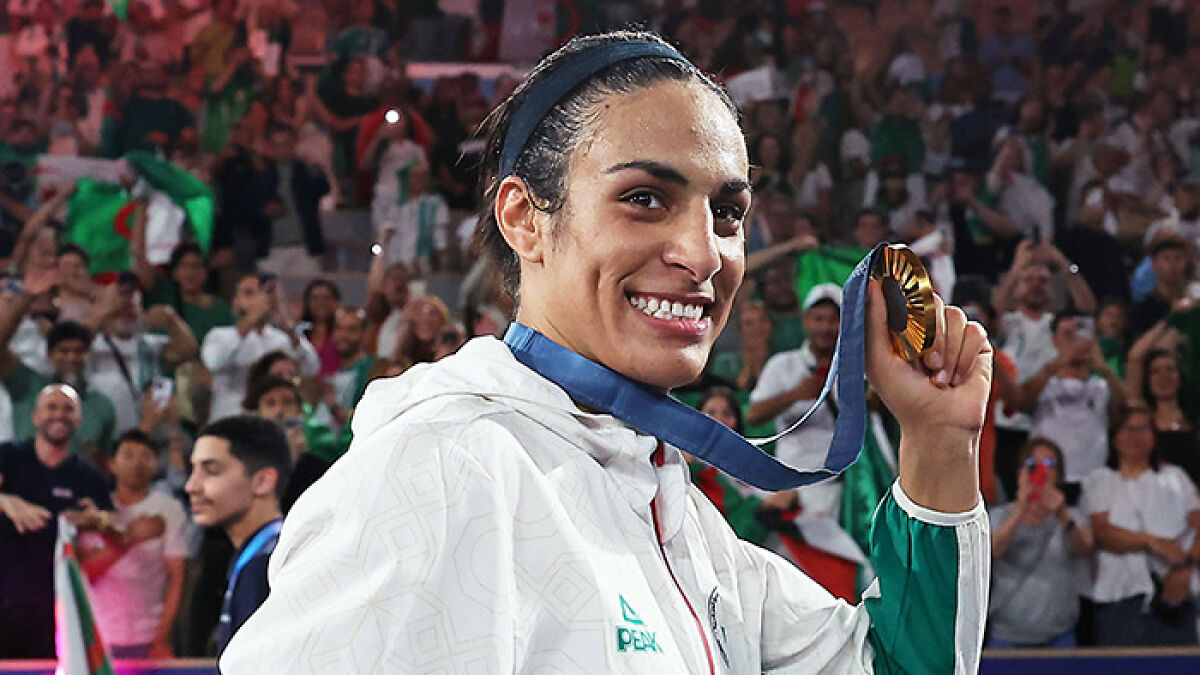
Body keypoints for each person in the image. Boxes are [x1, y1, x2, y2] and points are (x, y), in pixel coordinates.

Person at [222, 31, 992, 673]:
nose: (704, 252)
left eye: (727, 211)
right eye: (645, 198)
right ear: (525, 219)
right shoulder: (446, 470)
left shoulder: (681, 520)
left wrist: (937, 444)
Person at [0, 385, 112, 658]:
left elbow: (113, 523)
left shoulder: (87, 475)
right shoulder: (10, 456)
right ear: (35, 416)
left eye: (67, 409)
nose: (59, 415)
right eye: (51, 407)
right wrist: (7, 502)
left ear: (79, 420)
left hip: (57, 605)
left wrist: (95, 519)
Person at [1084, 404, 1200, 646]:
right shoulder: (1100, 480)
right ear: (1114, 437)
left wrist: (1185, 567)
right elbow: (1104, 534)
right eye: (1128, 429)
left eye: (1143, 429)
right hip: (1118, 598)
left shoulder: (1176, 478)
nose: (1135, 436)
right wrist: (1152, 542)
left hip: (1175, 597)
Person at [185, 415, 291, 656]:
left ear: (262, 481)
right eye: (193, 469)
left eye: (211, 471)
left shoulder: (266, 563)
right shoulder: (263, 551)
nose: (191, 486)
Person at [82, 429, 188, 659]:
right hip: (100, 635)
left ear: (155, 465)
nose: (137, 463)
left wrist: (161, 638)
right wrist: (130, 538)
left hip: (149, 635)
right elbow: (84, 571)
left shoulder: (169, 509)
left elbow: (177, 577)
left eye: (145, 456)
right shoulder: (94, 510)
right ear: (112, 464)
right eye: (128, 455)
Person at [747, 284, 845, 520]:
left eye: (834, 319)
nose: (826, 327)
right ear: (805, 321)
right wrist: (795, 395)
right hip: (791, 481)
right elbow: (753, 415)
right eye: (818, 318)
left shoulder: (857, 370)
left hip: (840, 486)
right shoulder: (784, 365)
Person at [988, 438, 1093, 648]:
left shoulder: (1073, 516)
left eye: (1049, 465)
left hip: (1059, 636)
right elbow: (992, 552)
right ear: (1020, 473)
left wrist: (1062, 514)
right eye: (1033, 466)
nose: (1041, 472)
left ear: (1060, 474)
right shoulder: (1000, 515)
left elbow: (1085, 548)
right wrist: (1020, 510)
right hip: (1007, 636)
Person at [201, 274, 320, 421]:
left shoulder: (282, 338)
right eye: (249, 293)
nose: (260, 298)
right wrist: (252, 318)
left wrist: (288, 325)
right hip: (230, 421)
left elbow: (311, 368)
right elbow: (213, 362)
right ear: (235, 303)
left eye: (264, 293)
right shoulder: (220, 335)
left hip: (274, 423)